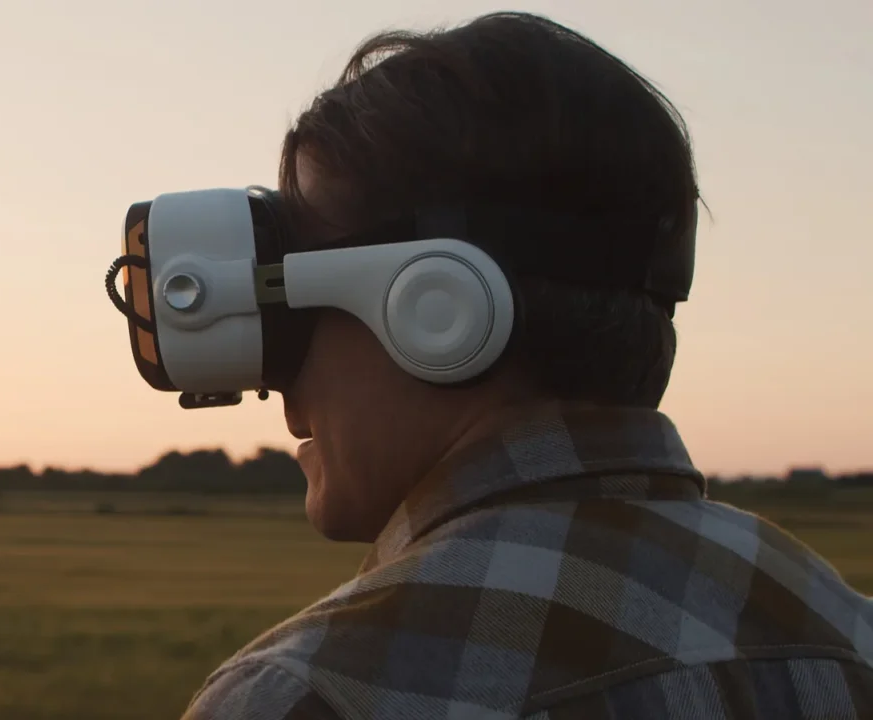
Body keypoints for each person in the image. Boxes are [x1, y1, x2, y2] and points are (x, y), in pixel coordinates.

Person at [181, 11, 873, 720]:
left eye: (295, 318)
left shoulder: (311, 697)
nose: (279, 386)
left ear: (438, 313)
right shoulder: (851, 641)